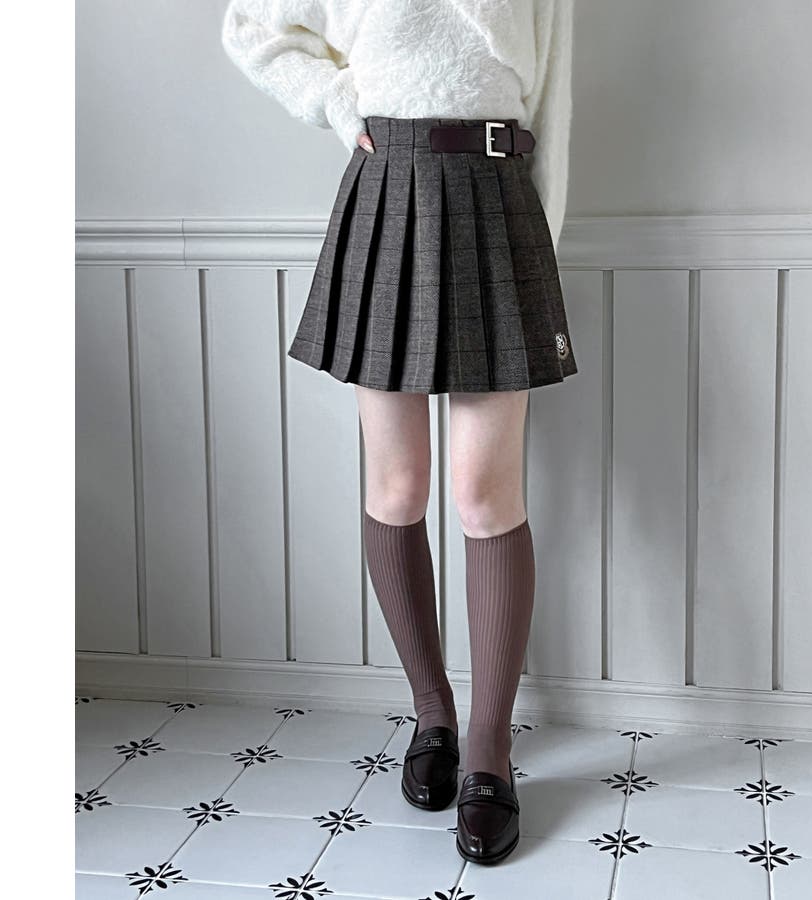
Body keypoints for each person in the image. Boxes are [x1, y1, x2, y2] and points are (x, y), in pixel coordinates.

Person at [221, 0, 577, 865]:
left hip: (499, 196)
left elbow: (556, 97)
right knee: (398, 486)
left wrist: (541, 243)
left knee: (485, 496)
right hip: (389, 193)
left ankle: (488, 749)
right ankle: (432, 715)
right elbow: (250, 26)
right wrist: (336, 100)